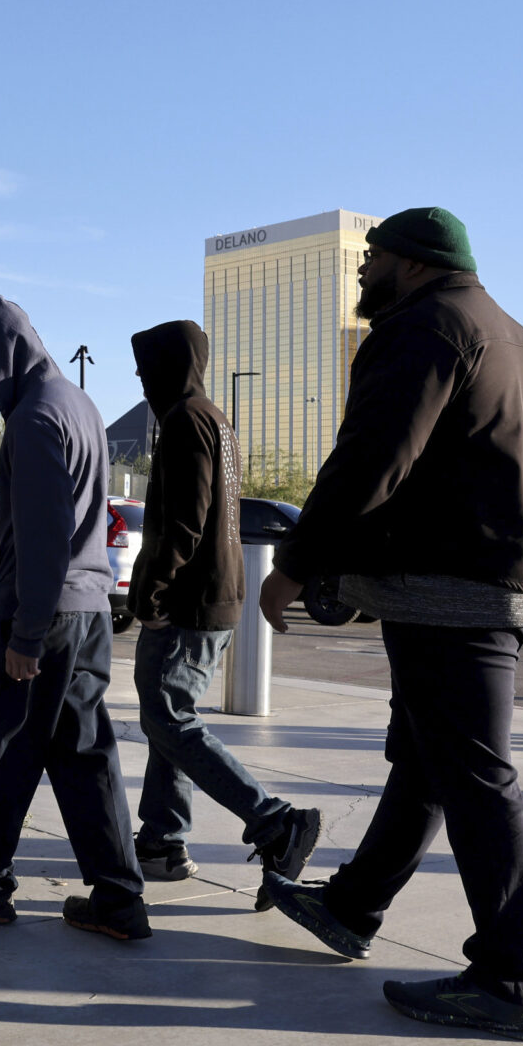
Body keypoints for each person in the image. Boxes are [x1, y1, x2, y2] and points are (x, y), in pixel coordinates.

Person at [256, 207, 523, 1043]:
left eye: (372, 257)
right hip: (500, 571)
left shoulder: (424, 328)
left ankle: (509, 978)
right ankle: (353, 906)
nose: (362, 272)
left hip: (450, 583)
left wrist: (297, 565)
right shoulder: (515, 335)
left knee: (473, 773)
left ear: (416, 263)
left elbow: (373, 459)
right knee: (429, 756)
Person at [0, 296, 146, 940]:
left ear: (2, 356)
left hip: (45, 614)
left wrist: (26, 633)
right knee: (84, 755)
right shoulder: (78, 404)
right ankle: (120, 898)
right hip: (91, 613)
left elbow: (44, 536)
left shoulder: (36, 419)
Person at [125, 320, 321, 893]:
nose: (140, 381)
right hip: (215, 596)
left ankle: (275, 822)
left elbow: (185, 520)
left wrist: (153, 595)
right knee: (170, 718)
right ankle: (161, 841)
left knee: (169, 719)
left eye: (145, 369)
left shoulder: (186, 420)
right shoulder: (216, 419)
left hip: (187, 602)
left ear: (168, 366)